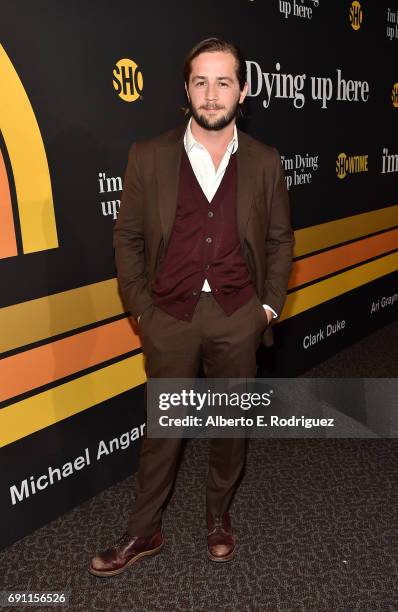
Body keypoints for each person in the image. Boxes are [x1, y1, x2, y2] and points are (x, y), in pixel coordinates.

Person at [89, 37, 294, 576]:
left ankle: (218, 517)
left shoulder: (266, 162)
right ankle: (144, 530)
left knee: (230, 427)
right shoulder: (148, 155)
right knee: (163, 431)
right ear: (186, 90)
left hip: (237, 315)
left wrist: (267, 308)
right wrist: (140, 310)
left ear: (242, 91)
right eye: (201, 81)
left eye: (223, 81)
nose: (212, 93)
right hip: (169, 318)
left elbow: (280, 241)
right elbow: (127, 237)